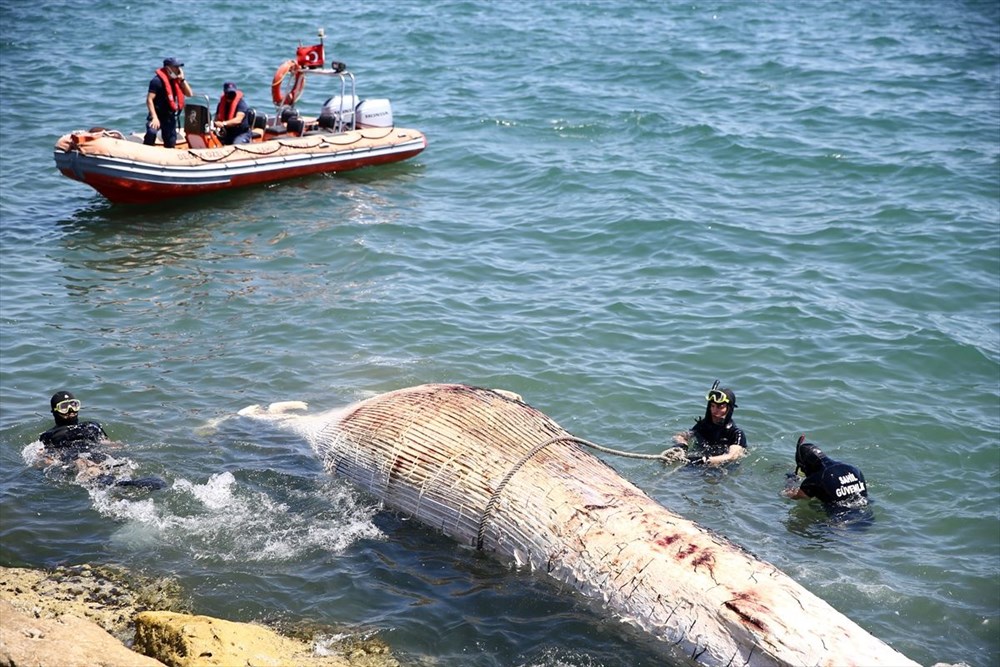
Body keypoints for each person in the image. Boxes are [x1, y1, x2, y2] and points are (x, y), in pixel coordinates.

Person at [36, 391, 164, 490]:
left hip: (95, 453)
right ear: (54, 411)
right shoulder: (49, 435)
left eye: (74, 405)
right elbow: (47, 457)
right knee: (83, 463)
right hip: (75, 456)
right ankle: (116, 484)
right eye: (64, 407)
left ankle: (123, 483)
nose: (70, 411)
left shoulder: (92, 425)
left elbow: (108, 443)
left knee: (107, 464)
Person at [665, 380, 747, 466]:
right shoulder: (702, 426)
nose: (714, 411)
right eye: (712, 406)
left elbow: (732, 456)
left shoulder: (736, 433)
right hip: (696, 463)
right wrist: (681, 446)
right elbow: (680, 436)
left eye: (720, 407)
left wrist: (704, 460)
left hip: (723, 469)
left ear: (729, 409)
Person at [782, 436, 868, 507]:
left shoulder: (814, 479)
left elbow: (795, 496)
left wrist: (790, 481)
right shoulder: (853, 469)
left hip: (839, 525)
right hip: (867, 515)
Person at [144, 57, 193, 148]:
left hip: (169, 116)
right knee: (152, 132)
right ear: (168, 68)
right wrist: (154, 117)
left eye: (179, 67)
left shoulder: (176, 81)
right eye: (176, 67)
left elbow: (189, 94)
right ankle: (145, 149)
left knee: (170, 142)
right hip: (156, 115)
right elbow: (149, 100)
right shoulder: (156, 81)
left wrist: (182, 79)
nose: (178, 69)